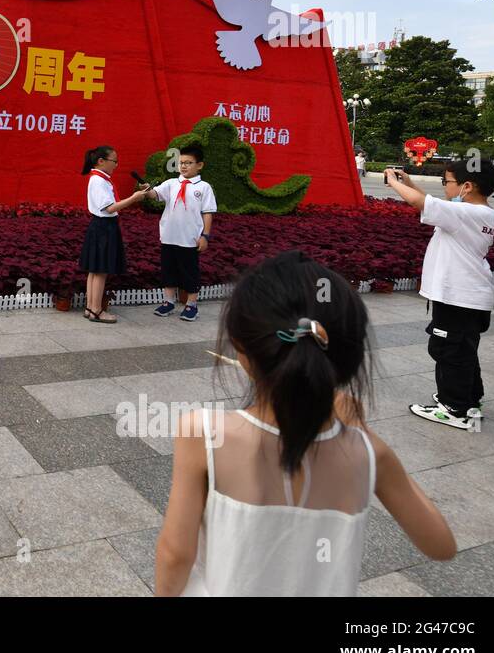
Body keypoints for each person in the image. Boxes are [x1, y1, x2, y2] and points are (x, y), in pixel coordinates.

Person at [154, 251, 456, 596]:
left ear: (240, 345)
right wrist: (364, 434)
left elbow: (176, 554)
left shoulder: (203, 435)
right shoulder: (368, 453)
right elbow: (440, 544)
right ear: (348, 359)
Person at [385, 160, 494, 430]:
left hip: (458, 297)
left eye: (447, 182)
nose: (444, 187)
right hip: (469, 296)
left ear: (467, 186)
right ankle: (469, 399)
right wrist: (409, 182)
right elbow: (431, 202)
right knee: (463, 350)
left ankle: (454, 408)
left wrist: (392, 182)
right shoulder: (476, 212)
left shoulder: (465, 214)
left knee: (448, 350)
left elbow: (423, 204)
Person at [142, 144, 216, 322]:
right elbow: (155, 195)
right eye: (181, 162)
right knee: (168, 270)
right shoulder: (171, 183)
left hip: (189, 239)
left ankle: (191, 305)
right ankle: (168, 302)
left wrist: (205, 235)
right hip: (169, 236)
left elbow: (208, 212)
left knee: (189, 272)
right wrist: (147, 190)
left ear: (200, 165)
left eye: (189, 163)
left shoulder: (204, 187)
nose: (183, 166)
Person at [79, 145, 148, 324]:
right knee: (100, 271)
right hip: (104, 226)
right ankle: (96, 310)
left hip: (99, 225)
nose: (116, 165)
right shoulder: (99, 181)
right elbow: (109, 208)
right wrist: (133, 198)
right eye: (114, 161)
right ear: (101, 161)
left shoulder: (99, 179)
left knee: (94, 270)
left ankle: (90, 308)